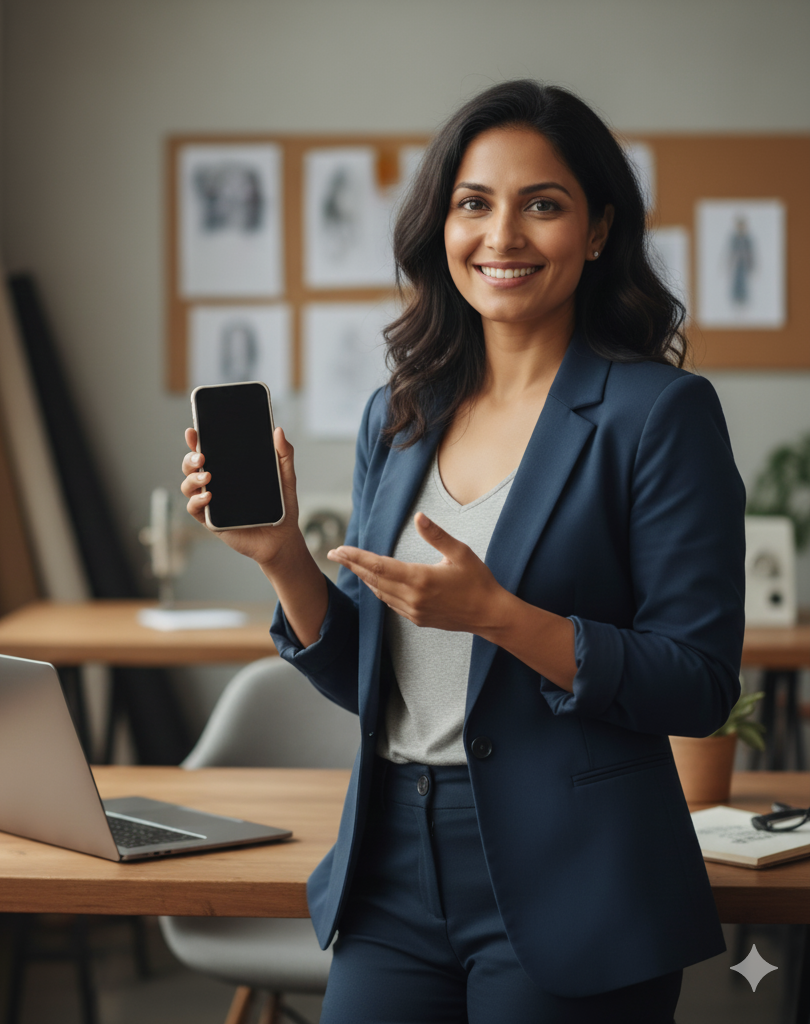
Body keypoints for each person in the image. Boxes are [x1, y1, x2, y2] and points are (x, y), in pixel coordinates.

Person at [180, 80, 745, 1023]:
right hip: (390, 864)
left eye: (544, 205)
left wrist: (503, 620)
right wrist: (284, 556)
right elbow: (380, 676)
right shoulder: (400, 413)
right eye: (473, 204)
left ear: (599, 230)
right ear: (441, 227)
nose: (503, 236)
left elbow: (697, 682)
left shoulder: (660, 416)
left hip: (577, 874)